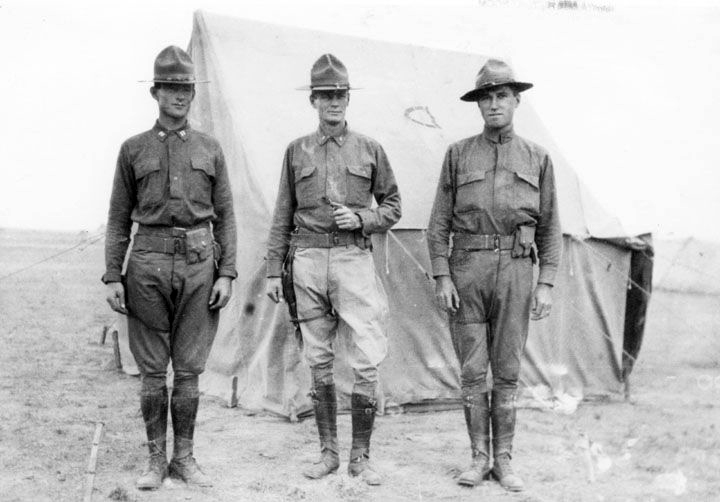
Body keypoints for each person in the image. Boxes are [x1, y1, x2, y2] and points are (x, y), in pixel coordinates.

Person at [102, 46, 237, 490]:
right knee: (154, 370)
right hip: (146, 265)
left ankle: (185, 458)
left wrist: (226, 272)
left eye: (186, 88)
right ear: (155, 91)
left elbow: (226, 214)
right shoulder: (133, 149)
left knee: (191, 368)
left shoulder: (210, 149)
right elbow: (119, 217)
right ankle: (155, 462)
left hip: (200, 263)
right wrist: (112, 275)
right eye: (172, 87)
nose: (180, 95)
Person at [265, 53, 401, 486]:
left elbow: (394, 205)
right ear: (314, 100)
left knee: (366, 357)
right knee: (318, 358)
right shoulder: (296, 151)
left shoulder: (370, 149)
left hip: (353, 260)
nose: (334, 103)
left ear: (348, 98)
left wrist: (362, 219)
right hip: (306, 261)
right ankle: (327, 454)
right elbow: (281, 214)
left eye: (340, 94)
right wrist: (273, 270)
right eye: (325, 95)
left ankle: (360, 457)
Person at [427, 59, 562, 492]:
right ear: (478, 104)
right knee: (471, 371)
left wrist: (546, 282)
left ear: (516, 101)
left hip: (517, 273)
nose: (493, 104)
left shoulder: (537, 158)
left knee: (506, 370)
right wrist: (443, 277)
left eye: (502, 95)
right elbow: (438, 224)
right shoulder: (458, 154)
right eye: (486, 96)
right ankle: (478, 458)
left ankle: (503, 459)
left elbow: (551, 227)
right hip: (467, 271)